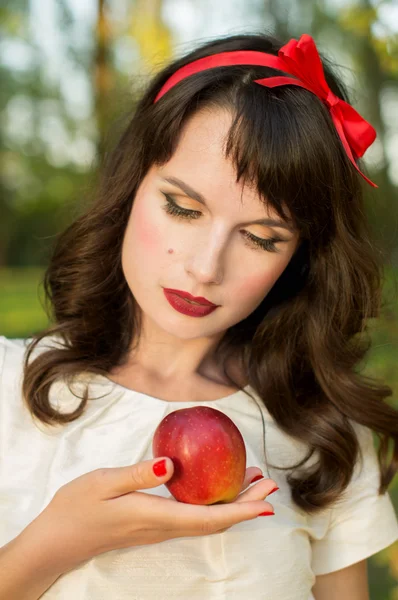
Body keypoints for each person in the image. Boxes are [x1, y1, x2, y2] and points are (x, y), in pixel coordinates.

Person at [0, 31, 397, 600]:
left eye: (261, 238)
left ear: (299, 258)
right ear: (130, 185)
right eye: (183, 208)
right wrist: (59, 541)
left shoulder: (321, 432)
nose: (206, 268)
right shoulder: (9, 391)